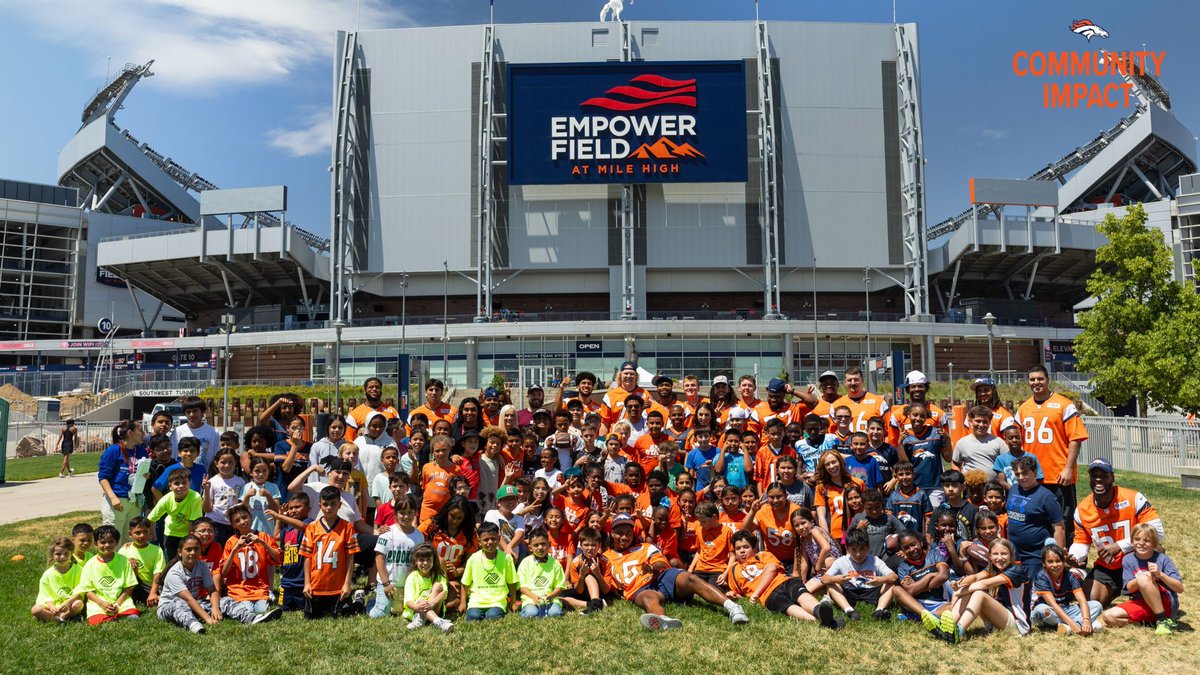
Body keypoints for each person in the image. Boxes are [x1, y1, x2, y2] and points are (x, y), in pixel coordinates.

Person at [606, 513, 749, 630]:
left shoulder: (645, 547)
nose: (624, 537)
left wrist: (653, 568)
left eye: (628, 533)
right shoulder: (606, 557)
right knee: (648, 597)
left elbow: (662, 563)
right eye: (619, 533)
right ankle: (663, 621)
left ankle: (733, 607)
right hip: (639, 589)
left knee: (690, 578)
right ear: (612, 533)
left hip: (661, 577)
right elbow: (606, 582)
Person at [1069, 458, 1166, 607]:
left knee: (1157, 549)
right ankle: (1110, 585)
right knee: (1091, 601)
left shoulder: (1134, 498)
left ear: (1112, 478)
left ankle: (1151, 588)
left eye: (1103, 476)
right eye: (1094, 476)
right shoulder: (1082, 510)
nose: (1098, 479)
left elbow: (1157, 533)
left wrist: (1120, 546)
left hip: (1138, 560)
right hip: (1109, 566)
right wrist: (1073, 557)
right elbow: (1081, 542)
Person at [1015, 365, 1088, 540]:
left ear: (1048, 380)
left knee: (1064, 521)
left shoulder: (1064, 405)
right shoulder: (1023, 408)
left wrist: (1068, 468)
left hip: (1058, 475)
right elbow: (1015, 440)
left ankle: (1065, 553)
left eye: (1040, 379)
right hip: (1033, 476)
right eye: (1032, 379)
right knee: (1036, 519)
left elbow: (1075, 438)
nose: (1036, 382)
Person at [155, 534, 282, 633]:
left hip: (193, 605)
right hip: (170, 607)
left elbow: (212, 589)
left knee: (225, 600)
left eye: (196, 549)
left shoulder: (202, 565)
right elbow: (188, 599)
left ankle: (251, 618)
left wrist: (215, 608)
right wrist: (208, 618)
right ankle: (193, 625)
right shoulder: (175, 573)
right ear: (179, 552)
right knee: (179, 603)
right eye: (188, 549)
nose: (192, 553)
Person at [727, 530, 837, 628]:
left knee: (800, 593)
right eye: (738, 548)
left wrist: (756, 593)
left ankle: (819, 611)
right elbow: (738, 592)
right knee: (786, 605)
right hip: (768, 596)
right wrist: (732, 594)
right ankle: (820, 621)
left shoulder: (762, 555)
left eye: (746, 547)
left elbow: (771, 569)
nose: (742, 551)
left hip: (783, 582)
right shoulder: (733, 570)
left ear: (754, 548)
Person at [936, 538, 1029, 643]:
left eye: (1004, 554)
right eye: (995, 554)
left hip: (1018, 625)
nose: (999, 558)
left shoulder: (1016, 570)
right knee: (971, 591)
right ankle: (947, 628)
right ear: (990, 556)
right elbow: (975, 577)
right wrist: (959, 583)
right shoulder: (993, 568)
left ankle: (958, 631)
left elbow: (984, 584)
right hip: (1001, 619)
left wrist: (958, 592)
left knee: (979, 594)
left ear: (1011, 556)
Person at [1101, 523, 1184, 635]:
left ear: (1154, 543)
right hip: (1142, 602)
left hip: (1165, 604)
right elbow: (1129, 588)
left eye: (1147, 540)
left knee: (1143, 579)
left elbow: (1180, 588)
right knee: (1108, 616)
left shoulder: (1163, 559)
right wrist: (1143, 578)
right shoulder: (1128, 560)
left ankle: (1162, 619)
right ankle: (1150, 623)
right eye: (1137, 539)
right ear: (1132, 541)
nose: (1141, 543)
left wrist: (1160, 575)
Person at [300, 486, 364, 619]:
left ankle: (359, 600)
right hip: (316, 587)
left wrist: (347, 584)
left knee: (344, 614)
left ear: (339, 505)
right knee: (310, 617)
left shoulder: (347, 527)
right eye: (325, 504)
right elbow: (307, 557)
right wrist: (307, 583)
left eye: (333, 504)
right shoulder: (312, 528)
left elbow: (350, 557)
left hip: (338, 588)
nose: (329, 507)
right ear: (320, 506)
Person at [1006, 455, 1065, 588]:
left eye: (1025, 473)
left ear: (1035, 473)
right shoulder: (1013, 489)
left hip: (1035, 555)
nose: (1021, 477)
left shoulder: (1046, 496)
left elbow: (1059, 527)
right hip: (1014, 552)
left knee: (1032, 590)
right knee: (1014, 588)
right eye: (1017, 474)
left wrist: (1058, 556)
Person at [820, 527, 897, 621]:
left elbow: (894, 577)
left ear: (868, 547)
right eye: (853, 549)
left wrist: (881, 579)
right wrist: (836, 579)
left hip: (871, 591)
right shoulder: (841, 561)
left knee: (890, 584)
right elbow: (824, 579)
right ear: (847, 549)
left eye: (862, 549)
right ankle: (849, 611)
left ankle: (879, 610)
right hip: (850, 592)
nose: (858, 554)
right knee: (831, 585)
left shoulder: (875, 560)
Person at [420, 496, 478, 613]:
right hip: (429, 573)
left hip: (452, 577)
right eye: (452, 516)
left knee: (451, 605)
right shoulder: (432, 526)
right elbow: (413, 538)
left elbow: (469, 562)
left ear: (465, 517)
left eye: (459, 518)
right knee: (440, 559)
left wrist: (458, 571)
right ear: (446, 512)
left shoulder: (469, 533)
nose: (455, 521)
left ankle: (435, 602)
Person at [218, 505, 279, 615]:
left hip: (260, 588)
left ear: (251, 517)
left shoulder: (263, 537)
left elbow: (278, 558)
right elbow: (224, 572)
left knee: (261, 610)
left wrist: (263, 543)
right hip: (239, 589)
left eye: (244, 517)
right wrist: (235, 549)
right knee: (248, 610)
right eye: (237, 520)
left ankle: (267, 595)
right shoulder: (231, 541)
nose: (242, 522)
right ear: (233, 525)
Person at [369, 494, 424, 618]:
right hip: (389, 582)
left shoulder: (419, 536)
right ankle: (370, 602)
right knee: (379, 615)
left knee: (405, 612)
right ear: (395, 514)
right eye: (402, 513)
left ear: (415, 513)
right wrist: (385, 583)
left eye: (410, 512)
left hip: (408, 584)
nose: (406, 516)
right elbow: (379, 558)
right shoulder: (387, 533)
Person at [74, 525, 140, 624]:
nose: (107, 545)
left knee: (133, 616)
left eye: (110, 542)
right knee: (96, 620)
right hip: (99, 602)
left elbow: (129, 587)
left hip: (121, 600)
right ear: (95, 544)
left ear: (116, 542)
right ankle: (107, 616)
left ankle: (119, 613)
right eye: (103, 542)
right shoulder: (90, 564)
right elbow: (87, 591)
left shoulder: (123, 561)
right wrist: (102, 604)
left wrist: (117, 604)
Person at [1030, 544, 1102, 635]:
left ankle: (1071, 626)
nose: (1055, 565)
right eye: (1050, 561)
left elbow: (1082, 600)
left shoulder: (1070, 576)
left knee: (1096, 605)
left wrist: (1086, 620)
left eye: (1058, 561)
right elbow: (1053, 604)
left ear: (1063, 562)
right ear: (1044, 563)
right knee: (1041, 610)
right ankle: (1076, 624)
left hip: (1065, 609)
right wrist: (1072, 623)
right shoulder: (1041, 577)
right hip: (1049, 611)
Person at [888, 531, 949, 632]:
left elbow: (944, 576)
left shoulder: (934, 554)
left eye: (913, 544)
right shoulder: (903, 566)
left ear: (920, 542)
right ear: (902, 550)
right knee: (896, 589)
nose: (912, 549)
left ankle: (920, 617)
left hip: (939, 603)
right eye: (906, 548)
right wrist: (930, 575)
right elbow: (910, 591)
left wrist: (916, 585)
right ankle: (926, 615)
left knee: (954, 607)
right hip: (916, 604)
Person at [97, 420, 148, 539]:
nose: (143, 433)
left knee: (130, 539)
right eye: (140, 430)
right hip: (117, 500)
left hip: (135, 501)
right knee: (113, 538)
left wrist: (146, 475)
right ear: (130, 432)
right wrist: (113, 498)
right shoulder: (113, 451)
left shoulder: (141, 451)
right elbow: (103, 478)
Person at [462, 522, 519, 620]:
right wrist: (462, 603)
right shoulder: (473, 559)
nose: (490, 542)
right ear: (479, 541)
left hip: (497, 601)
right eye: (485, 540)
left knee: (493, 616)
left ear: (499, 538)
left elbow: (512, 582)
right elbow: (465, 583)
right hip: (476, 601)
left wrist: (513, 603)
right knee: (473, 616)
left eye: (493, 538)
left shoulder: (506, 558)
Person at [741, 481, 800, 571]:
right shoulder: (763, 511)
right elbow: (745, 530)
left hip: (794, 559)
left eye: (779, 496)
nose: (775, 500)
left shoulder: (796, 511)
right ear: (767, 497)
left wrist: (796, 571)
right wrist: (752, 511)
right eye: (771, 497)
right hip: (772, 560)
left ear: (786, 496)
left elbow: (801, 544)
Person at [148, 468, 204, 560]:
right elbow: (151, 518)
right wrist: (149, 532)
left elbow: (194, 522)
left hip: (187, 534)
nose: (181, 486)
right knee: (171, 561)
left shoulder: (195, 497)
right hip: (170, 533)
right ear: (170, 486)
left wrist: (190, 539)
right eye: (177, 483)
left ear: (189, 484)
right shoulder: (166, 499)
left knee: (187, 560)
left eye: (184, 483)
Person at [270, 493, 311, 611]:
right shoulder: (288, 528)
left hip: (302, 581)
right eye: (291, 508)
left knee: (306, 608)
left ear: (308, 509)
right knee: (282, 608)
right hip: (287, 582)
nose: (293, 511)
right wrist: (280, 518)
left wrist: (280, 517)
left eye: (297, 507)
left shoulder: (310, 522)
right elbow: (276, 536)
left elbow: (303, 527)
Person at [814, 450, 865, 542]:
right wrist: (827, 538)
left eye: (834, 462)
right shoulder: (821, 488)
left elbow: (865, 507)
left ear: (840, 462)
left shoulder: (858, 483)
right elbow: (821, 517)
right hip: (836, 536)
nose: (831, 466)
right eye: (827, 464)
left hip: (858, 532)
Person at [403, 542, 454, 631]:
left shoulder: (439, 576)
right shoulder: (412, 577)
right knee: (420, 601)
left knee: (438, 586)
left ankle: (422, 618)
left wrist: (432, 603)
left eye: (429, 560)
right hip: (417, 609)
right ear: (416, 561)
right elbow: (408, 600)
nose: (425, 563)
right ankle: (438, 621)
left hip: (435, 608)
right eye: (421, 560)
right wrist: (416, 607)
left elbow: (444, 593)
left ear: (433, 560)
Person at [517, 528, 567, 618]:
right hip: (530, 598)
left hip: (551, 599)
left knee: (555, 613)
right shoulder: (525, 563)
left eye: (543, 544)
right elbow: (522, 587)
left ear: (549, 545)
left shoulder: (555, 563)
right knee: (531, 614)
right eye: (536, 545)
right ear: (530, 548)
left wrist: (551, 595)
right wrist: (534, 597)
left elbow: (560, 586)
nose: (540, 547)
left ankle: (548, 610)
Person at [31, 537, 84, 622]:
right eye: (58, 554)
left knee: (78, 604)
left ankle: (58, 618)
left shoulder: (79, 570)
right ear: (52, 555)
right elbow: (45, 595)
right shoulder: (48, 574)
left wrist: (68, 602)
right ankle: (62, 619)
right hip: (52, 606)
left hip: (70, 603)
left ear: (71, 553)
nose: (62, 557)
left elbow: (80, 591)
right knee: (35, 610)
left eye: (66, 553)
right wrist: (51, 606)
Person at [887, 371, 946, 445]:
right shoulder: (897, 415)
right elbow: (892, 444)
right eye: (913, 386)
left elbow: (946, 442)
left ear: (926, 388)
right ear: (908, 389)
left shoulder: (939, 414)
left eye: (920, 386)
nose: (917, 389)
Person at [847, 489, 905, 564]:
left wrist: (903, 549)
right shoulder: (858, 518)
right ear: (863, 505)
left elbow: (905, 533)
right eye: (870, 508)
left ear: (882, 504)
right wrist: (858, 529)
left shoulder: (889, 518)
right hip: (865, 560)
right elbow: (848, 539)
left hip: (886, 559)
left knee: (901, 561)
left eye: (877, 507)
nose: (874, 511)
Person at [561, 527, 610, 614]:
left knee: (589, 576)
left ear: (599, 545)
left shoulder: (605, 561)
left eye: (594, 545)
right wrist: (581, 576)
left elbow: (606, 590)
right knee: (559, 597)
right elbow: (579, 591)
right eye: (586, 545)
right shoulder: (575, 562)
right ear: (581, 545)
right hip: (583, 593)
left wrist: (598, 574)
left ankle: (595, 603)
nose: (590, 548)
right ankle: (592, 604)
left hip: (599, 592)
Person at [118, 516, 166, 606]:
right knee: (130, 566)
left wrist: (153, 593)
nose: (142, 535)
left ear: (149, 532)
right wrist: (127, 564)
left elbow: (158, 574)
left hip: (149, 587)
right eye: (138, 533)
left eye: (145, 532)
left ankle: (152, 597)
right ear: (130, 534)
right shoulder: (124, 550)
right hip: (130, 586)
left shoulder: (157, 550)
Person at [952, 405, 1006, 481]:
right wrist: (958, 481)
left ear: (990, 423)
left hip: (993, 486)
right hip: (970, 486)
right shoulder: (962, 443)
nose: (981, 425)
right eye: (978, 421)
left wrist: (1002, 480)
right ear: (970, 421)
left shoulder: (998, 442)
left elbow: (1007, 463)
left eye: (985, 422)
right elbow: (956, 464)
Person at [828, 367, 889, 434]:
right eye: (849, 380)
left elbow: (888, 431)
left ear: (862, 380)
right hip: (846, 441)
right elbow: (831, 433)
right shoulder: (836, 405)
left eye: (856, 380)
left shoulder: (879, 402)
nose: (853, 383)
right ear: (845, 382)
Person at [203, 448, 245, 543]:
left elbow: (242, 505)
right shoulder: (212, 482)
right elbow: (206, 509)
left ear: (235, 463)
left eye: (230, 462)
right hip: (215, 522)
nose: (227, 465)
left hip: (234, 523)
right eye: (223, 462)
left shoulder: (241, 482)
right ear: (216, 463)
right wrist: (206, 491)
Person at [686, 501, 732, 587]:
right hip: (700, 568)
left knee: (713, 589)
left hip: (718, 569)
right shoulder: (699, 530)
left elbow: (732, 556)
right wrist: (691, 568)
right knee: (690, 587)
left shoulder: (727, 531)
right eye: (699, 521)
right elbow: (699, 550)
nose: (701, 524)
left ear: (714, 517)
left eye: (703, 521)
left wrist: (726, 573)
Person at [885, 461, 932, 540]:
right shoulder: (893, 495)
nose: (904, 477)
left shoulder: (921, 494)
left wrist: (927, 539)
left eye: (908, 474)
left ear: (914, 475)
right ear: (896, 477)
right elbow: (888, 518)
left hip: (917, 537)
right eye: (900, 474)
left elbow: (928, 519)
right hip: (899, 538)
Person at [170, 397, 220, 468]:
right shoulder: (178, 431)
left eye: (195, 411)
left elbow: (216, 456)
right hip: (181, 473)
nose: (191, 414)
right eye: (188, 412)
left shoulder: (213, 432)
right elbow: (173, 455)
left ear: (202, 412)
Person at [992, 424, 1043, 490]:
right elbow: (1002, 481)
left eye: (1017, 437)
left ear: (1022, 438)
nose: (1014, 440)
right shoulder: (1000, 459)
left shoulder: (1031, 457)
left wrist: (1026, 490)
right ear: (1005, 440)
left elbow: (1038, 478)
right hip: (1011, 494)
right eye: (1010, 438)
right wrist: (1015, 492)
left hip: (1030, 493)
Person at [601, 361, 648, 428]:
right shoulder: (610, 395)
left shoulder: (645, 393)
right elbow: (604, 422)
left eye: (632, 374)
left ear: (636, 376)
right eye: (626, 373)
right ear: (620, 375)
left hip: (640, 432)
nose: (628, 376)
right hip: (617, 433)